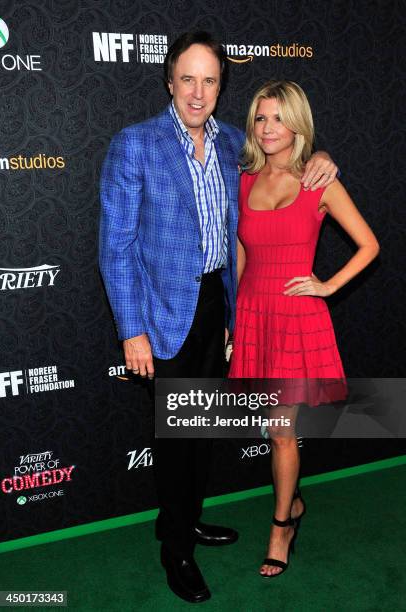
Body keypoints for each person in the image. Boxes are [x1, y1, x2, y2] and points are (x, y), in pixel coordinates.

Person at [99, 32, 338, 603]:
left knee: (201, 428)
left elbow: (287, 163)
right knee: (174, 436)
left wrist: (323, 158)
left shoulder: (236, 142)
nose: (199, 91)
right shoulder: (136, 144)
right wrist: (131, 330)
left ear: (220, 86)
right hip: (162, 311)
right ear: (169, 81)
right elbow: (115, 245)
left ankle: (185, 519)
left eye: (210, 80)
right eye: (188, 78)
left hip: (221, 305)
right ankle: (175, 547)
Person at [228, 80, 380, 577]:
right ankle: (291, 506)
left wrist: (328, 286)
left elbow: (368, 245)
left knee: (281, 430)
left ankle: (281, 526)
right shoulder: (244, 178)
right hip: (255, 312)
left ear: (298, 123)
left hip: (295, 315)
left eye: (279, 118)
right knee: (276, 431)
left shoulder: (319, 180)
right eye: (260, 118)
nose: (269, 128)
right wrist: (234, 319)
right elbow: (241, 253)